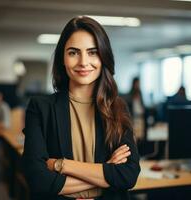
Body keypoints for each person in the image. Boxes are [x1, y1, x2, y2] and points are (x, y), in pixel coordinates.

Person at [22, 16, 140, 200]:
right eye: (73, 52)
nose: (83, 62)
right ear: (63, 58)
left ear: (103, 56)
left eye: (93, 52)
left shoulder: (117, 107)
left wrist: (62, 165)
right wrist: (107, 169)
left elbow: (128, 175)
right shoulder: (40, 108)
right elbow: (38, 180)